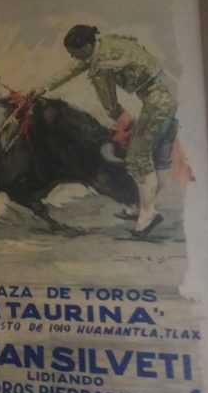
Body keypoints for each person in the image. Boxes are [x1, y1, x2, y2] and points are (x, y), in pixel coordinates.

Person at [38, 24, 177, 238]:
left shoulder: (102, 65)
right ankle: (144, 207)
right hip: (170, 92)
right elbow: (74, 69)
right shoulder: (104, 46)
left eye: (74, 53)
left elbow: (109, 103)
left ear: (86, 47)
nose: (73, 57)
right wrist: (44, 87)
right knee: (161, 155)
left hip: (158, 102)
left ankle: (148, 214)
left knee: (137, 157)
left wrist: (120, 118)